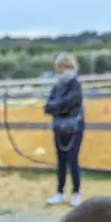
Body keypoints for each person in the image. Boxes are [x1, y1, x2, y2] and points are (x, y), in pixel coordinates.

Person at [43, 52, 85, 206]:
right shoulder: (57, 86)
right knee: (61, 161)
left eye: (61, 66)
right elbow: (48, 107)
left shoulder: (75, 84)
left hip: (75, 128)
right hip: (59, 128)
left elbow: (71, 103)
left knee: (73, 160)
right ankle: (59, 192)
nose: (59, 70)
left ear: (68, 66)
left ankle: (76, 192)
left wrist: (58, 107)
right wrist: (60, 107)